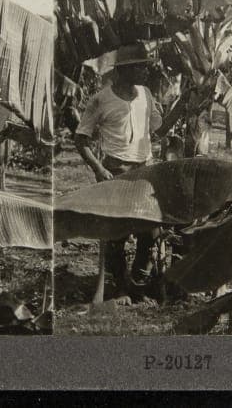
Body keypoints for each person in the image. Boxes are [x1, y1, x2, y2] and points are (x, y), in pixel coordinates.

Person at [74, 43, 163, 300]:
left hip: (145, 168)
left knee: (151, 229)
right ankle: (120, 286)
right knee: (117, 232)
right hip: (116, 169)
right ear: (124, 71)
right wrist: (99, 169)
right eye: (140, 67)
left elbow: (157, 129)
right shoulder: (101, 99)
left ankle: (138, 281)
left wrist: (184, 105)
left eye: (146, 67)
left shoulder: (146, 94)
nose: (146, 72)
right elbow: (81, 139)